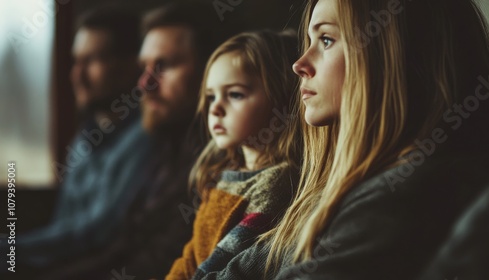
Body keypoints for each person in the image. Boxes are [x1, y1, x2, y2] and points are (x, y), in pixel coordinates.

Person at [194, 0, 489, 279]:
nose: (299, 64)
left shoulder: (402, 197)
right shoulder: (335, 194)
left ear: (396, 55)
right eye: (310, 41)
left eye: (326, 39)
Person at [34, 2, 240, 280]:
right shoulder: (165, 145)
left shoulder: (224, 159)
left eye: (164, 65)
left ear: (210, 69)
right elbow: (122, 246)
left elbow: (154, 262)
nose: (145, 84)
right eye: (144, 67)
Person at [1, 7, 150, 276]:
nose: (77, 75)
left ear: (130, 66)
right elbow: (63, 226)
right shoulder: (85, 137)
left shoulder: (144, 139)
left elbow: (94, 236)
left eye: (92, 60)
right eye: (75, 61)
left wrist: (10, 251)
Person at [165, 30, 302, 280]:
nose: (215, 108)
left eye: (235, 94)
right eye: (210, 96)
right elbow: (192, 256)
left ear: (282, 99)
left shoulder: (276, 184)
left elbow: (222, 262)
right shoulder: (225, 174)